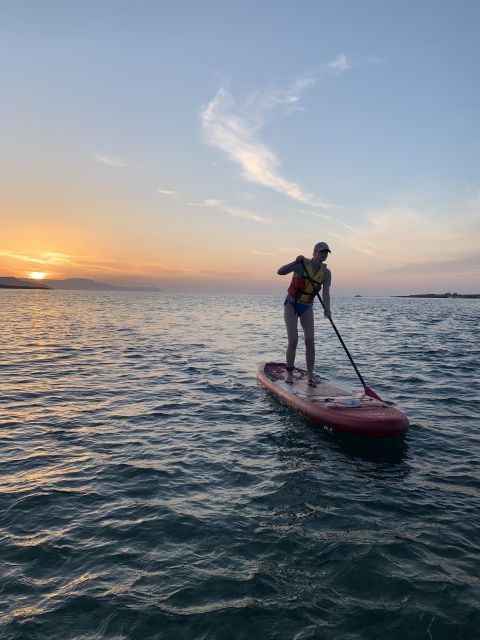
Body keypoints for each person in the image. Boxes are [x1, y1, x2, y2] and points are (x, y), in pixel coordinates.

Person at [277, 242, 332, 386]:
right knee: (293, 339)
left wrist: (327, 308)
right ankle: (289, 373)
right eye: (321, 252)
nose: (324, 254)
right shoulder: (301, 264)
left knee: (309, 340)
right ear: (314, 252)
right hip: (292, 304)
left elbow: (325, 292)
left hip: (307, 307)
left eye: (326, 252)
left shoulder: (326, 273)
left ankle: (311, 375)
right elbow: (280, 271)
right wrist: (295, 261)